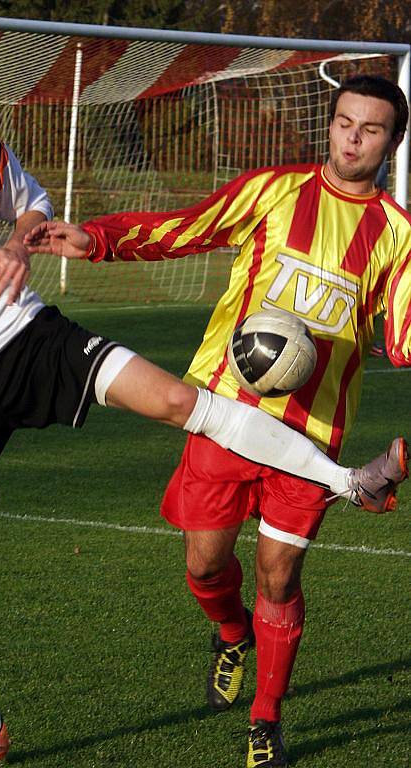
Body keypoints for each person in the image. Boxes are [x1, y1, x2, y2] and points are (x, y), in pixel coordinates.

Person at [0, 38, 405, 764]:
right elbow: (187, 226)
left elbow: (28, 208)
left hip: (23, 339)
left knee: (180, 405)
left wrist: (23, 243)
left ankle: (343, 498)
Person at [25, 75, 410, 768]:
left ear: (392, 141)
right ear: (330, 124)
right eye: (345, 122)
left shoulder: (398, 234)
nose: (353, 138)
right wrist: (99, 240)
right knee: (205, 565)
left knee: (279, 577)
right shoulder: (274, 190)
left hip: (310, 438)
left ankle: (266, 722)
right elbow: (187, 228)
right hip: (223, 413)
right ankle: (230, 634)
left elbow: (405, 341)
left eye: (371, 129)